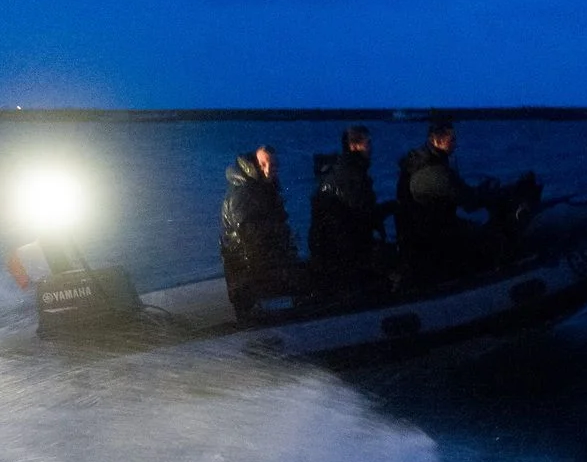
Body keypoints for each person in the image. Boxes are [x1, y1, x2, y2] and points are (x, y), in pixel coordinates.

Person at [395, 121, 541, 283]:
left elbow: (460, 194)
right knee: (490, 238)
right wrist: (497, 193)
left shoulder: (419, 165)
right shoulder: (434, 173)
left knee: (473, 227)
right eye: (451, 139)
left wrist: (481, 192)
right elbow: (469, 201)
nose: (455, 144)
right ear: (435, 141)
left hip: (425, 230)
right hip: (434, 235)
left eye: (454, 138)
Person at [307, 126, 394, 296]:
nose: (371, 148)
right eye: (367, 143)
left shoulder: (340, 172)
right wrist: (391, 207)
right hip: (346, 251)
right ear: (354, 146)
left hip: (334, 248)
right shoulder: (352, 175)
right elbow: (362, 214)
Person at [220, 145, 302, 317]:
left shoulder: (263, 189)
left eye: (273, 166)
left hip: (255, 269)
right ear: (254, 164)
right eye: (264, 164)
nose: (269, 170)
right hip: (249, 271)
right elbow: (251, 235)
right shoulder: (244, 193)